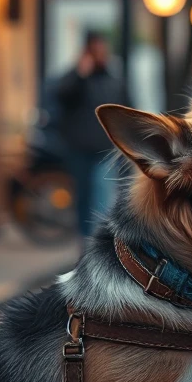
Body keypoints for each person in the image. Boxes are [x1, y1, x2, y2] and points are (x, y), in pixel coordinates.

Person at [57, 30, 129, 237]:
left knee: (103, 198)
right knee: (82, 198)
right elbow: (62, 97)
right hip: (78, 150)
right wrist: (80, 74)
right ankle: (85, 239)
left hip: (105, 151)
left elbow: (127, 110)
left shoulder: (114, 80)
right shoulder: (76, 78)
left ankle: (98, 240)